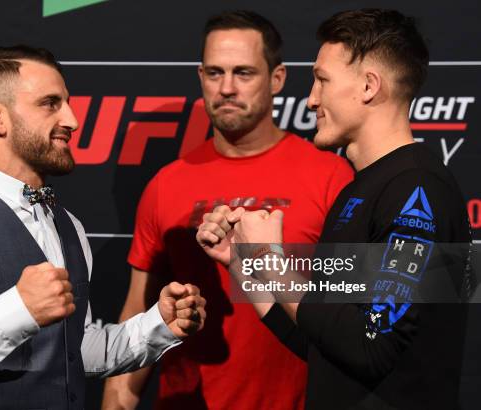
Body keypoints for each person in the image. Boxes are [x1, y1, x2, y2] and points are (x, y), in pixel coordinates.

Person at [0, 45, 207, 410]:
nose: (72, 120)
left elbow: (71, 351)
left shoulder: (69, 227)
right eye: (50, 104)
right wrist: (18, 310)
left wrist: (157, 326)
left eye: (67, 102)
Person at [197, 9, 472, 410]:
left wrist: (270, 259)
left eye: (322, 80)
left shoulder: (418, 189)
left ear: (368, 86)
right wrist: (245, 266)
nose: (310, 99)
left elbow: (370, 344)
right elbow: (322, 343)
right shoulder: (357, 190)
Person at [102, 10, 353, 410]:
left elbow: (358, 309)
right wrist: (117, 403)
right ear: (201, 77)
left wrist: (261, 262)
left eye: (244, 73)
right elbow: (137, 312)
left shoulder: (331, 176)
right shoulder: (166, 185)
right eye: (215, 73)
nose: (227, 88)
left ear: (277, 79)